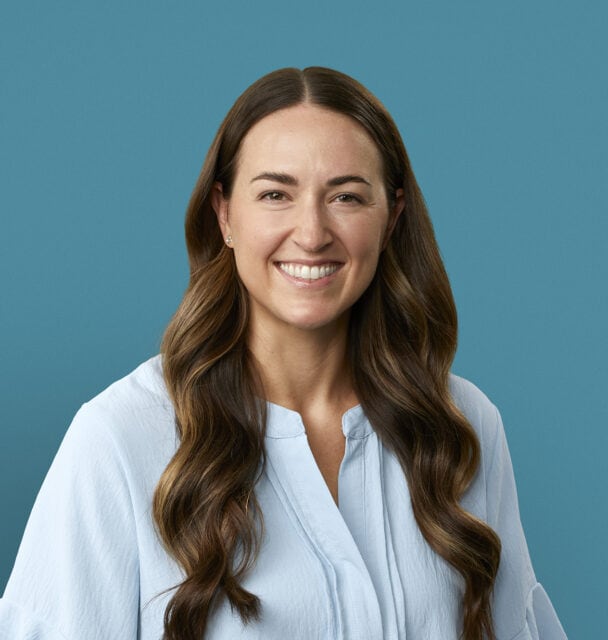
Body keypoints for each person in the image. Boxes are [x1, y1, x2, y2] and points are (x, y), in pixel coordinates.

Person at [0, 67, 566, 640]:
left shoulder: (463, 424)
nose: (312, 232)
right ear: (224, 214)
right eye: (275, 194)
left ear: (392, 217)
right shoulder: (119, 440)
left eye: (346, 196)